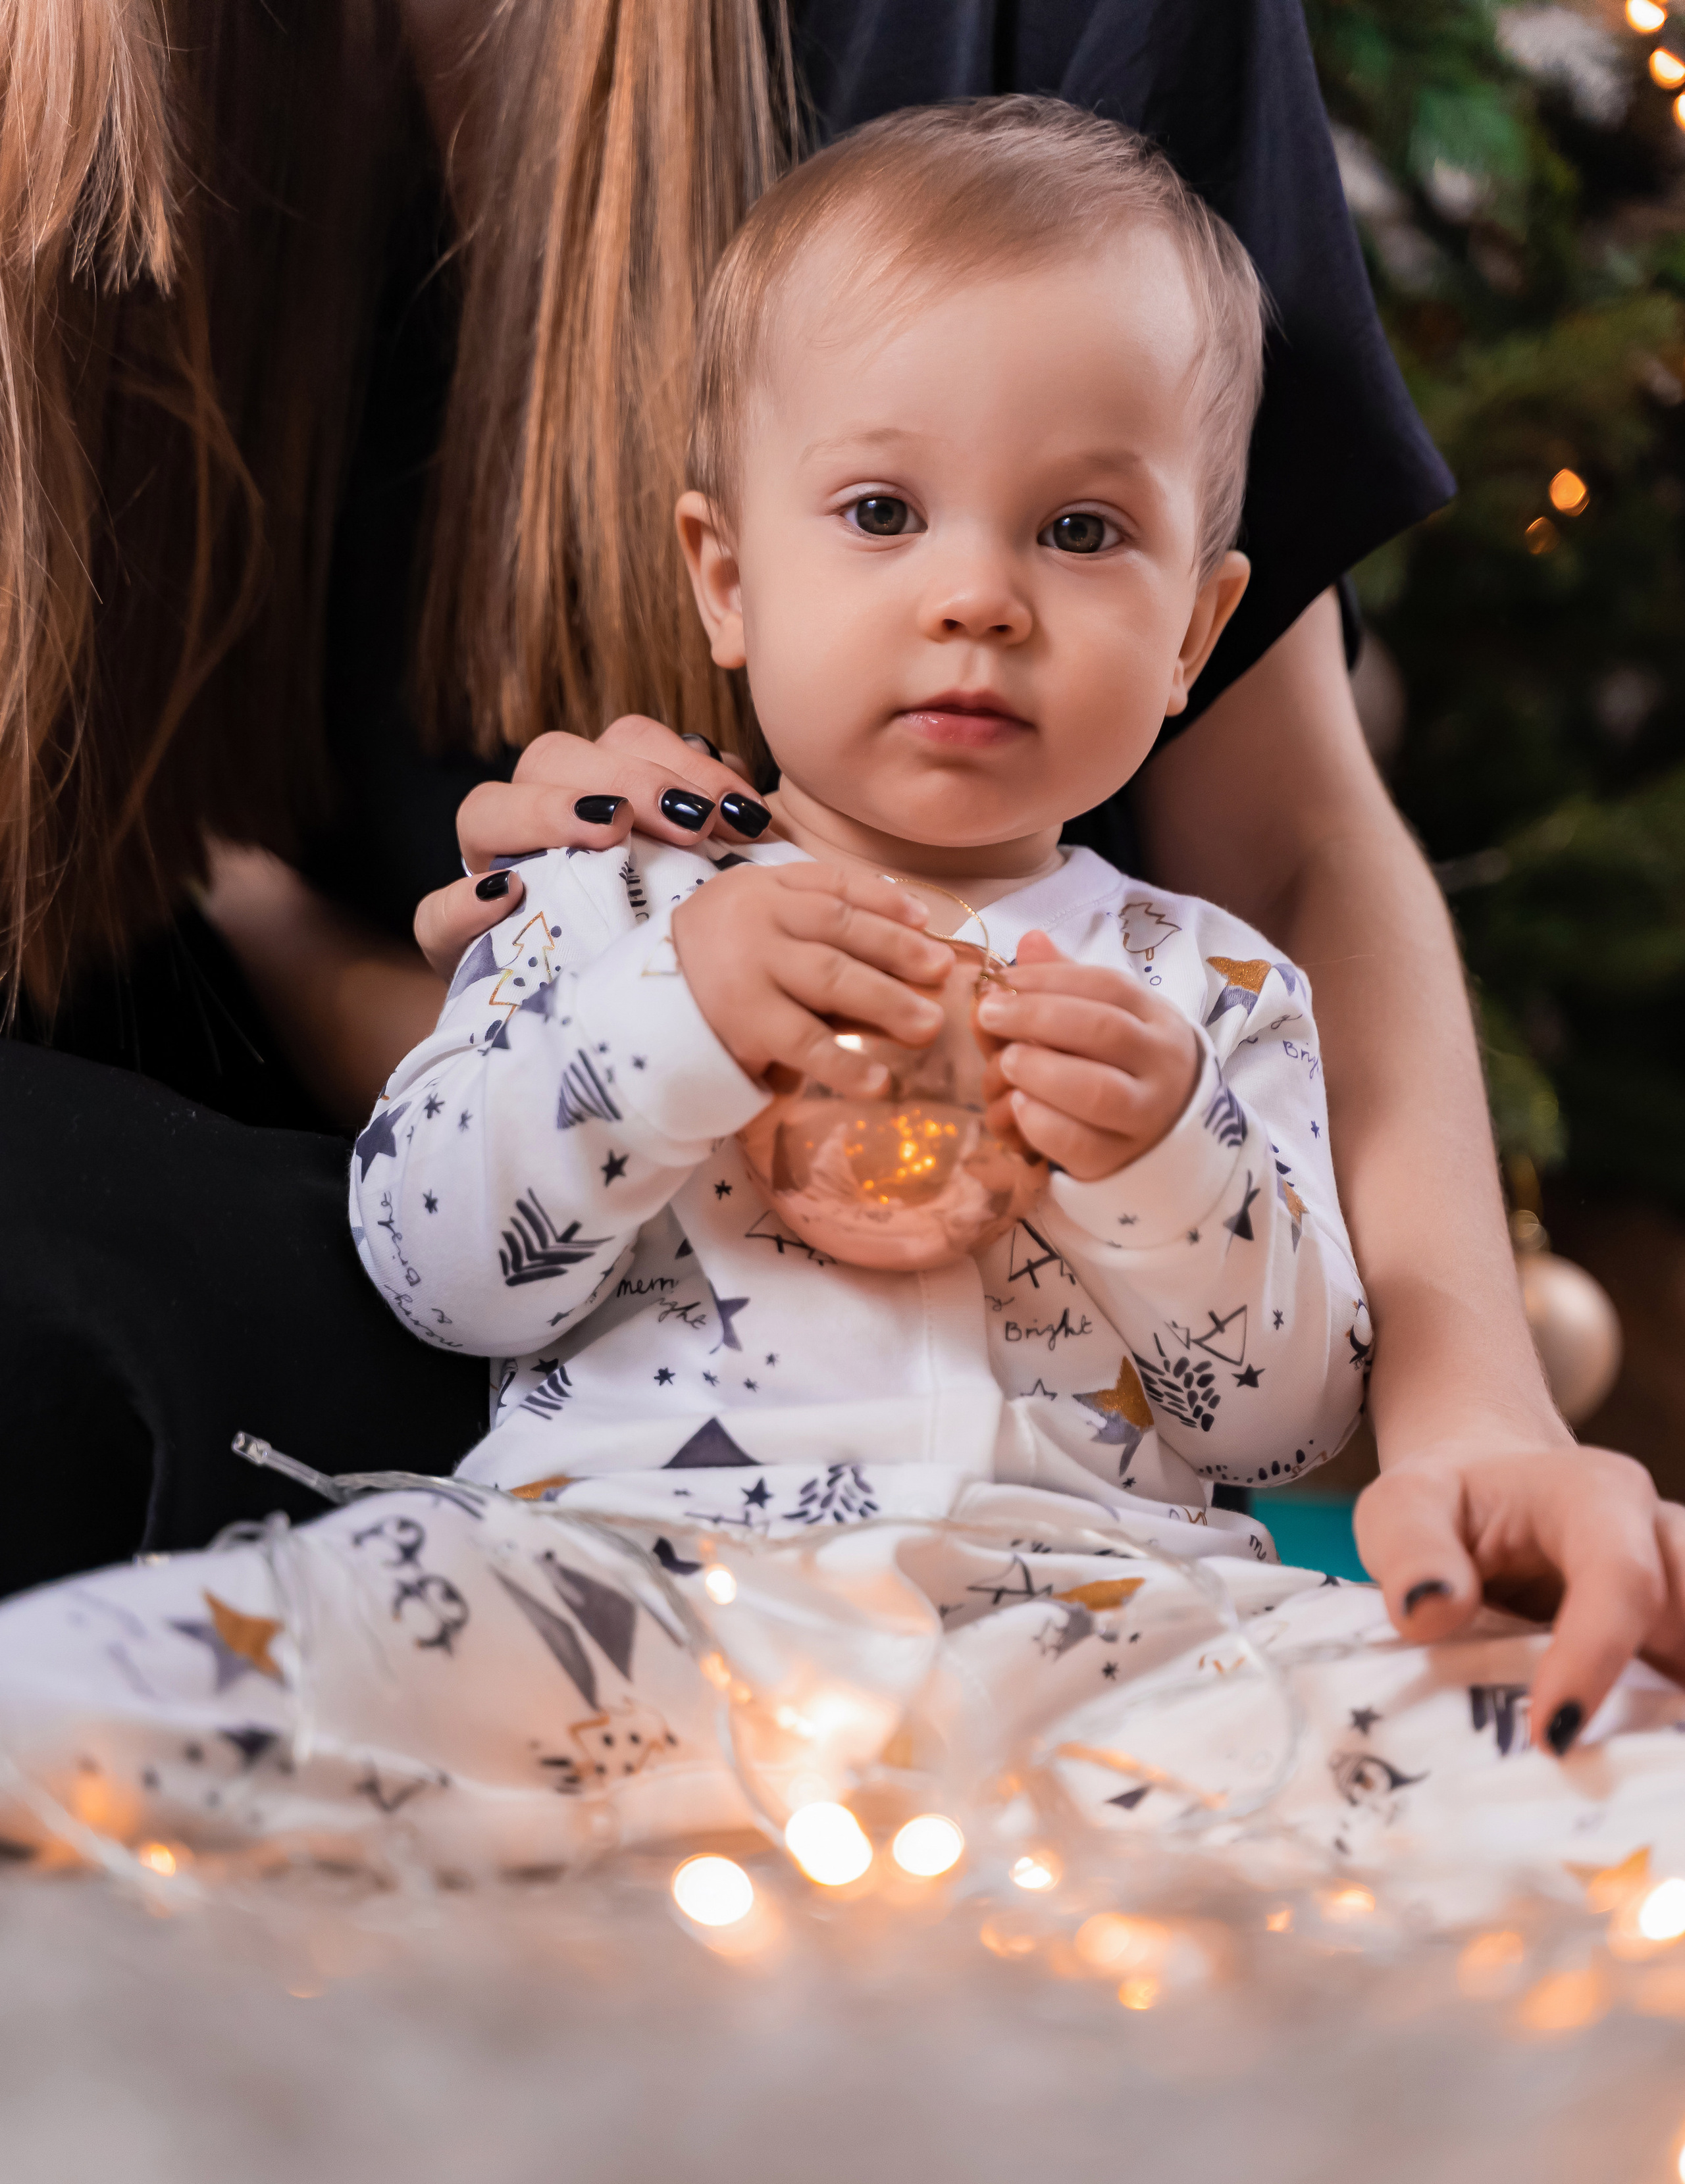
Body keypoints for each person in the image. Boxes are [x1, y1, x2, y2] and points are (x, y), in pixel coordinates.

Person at [7, 101, 1684, 1905]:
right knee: (137, 1680)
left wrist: (1163, 1154)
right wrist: (673, 1023)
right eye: (883, 512)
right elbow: (436, 1258)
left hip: (1106, 1627)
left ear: (1197, 639)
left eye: (1083, 529)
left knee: (1587, 1767)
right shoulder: (615, 901)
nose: (977, 597)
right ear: (728, 577)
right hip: (626, 1579)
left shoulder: (1204, 992)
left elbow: (1276, 1425)